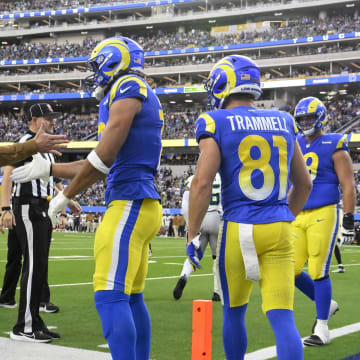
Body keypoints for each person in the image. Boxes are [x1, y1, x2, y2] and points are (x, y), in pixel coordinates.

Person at [12, 37, 164, 359]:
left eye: (97, 67)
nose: (95, 74)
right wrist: (49, 168)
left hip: (129, 202)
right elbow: (95, 160)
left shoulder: (128, 86)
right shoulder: (132, 90)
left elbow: (103, 158)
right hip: (140, 201)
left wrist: (63, 197)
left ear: (112, 62)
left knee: (109, 296)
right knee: (131, 298)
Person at [186, 55, 312, 360]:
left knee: (234, 314)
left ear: (223, 84)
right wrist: (282, 218)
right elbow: (304, 184)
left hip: (239, 227)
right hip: (279, 225)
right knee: (283, 319)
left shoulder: (215, 121)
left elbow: (202, 183)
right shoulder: (284, 119)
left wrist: (191, 235)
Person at [0, 103, 80, 343]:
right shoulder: (26, 142)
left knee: (40, 266)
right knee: (33, 266)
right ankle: (24, 326)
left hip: (42, 207)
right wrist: (4, 208)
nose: (52, 122)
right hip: (27, 205)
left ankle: (34, 321)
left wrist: (67, 199)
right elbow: (7, 175)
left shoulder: (44, 148)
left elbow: (50, 178)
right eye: (47, 117)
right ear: (34, 119)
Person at [292, 96, 355, 346]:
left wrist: (349, 217)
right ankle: (326, 305)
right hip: (297, 213)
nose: (306, 122)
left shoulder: (334, 142)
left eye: (309, 117)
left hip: (324, 210)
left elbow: (348, 183)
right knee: (291, 270)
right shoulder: (295, 142)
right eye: (302, 119)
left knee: (318, 269)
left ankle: (322, 328)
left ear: (320, 117)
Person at [173, 173, 221, 301]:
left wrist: (191, 225)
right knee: (218, 258)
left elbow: (185, 202)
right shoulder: (223, 177)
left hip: (200, 218)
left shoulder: (193, 178)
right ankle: (217, 292)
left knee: (194, 254)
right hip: (217, 217)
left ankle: (184, 276)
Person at [0, 124, 67, 169]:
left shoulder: (48, 149)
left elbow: (52, 180)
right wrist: (34, 146)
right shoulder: (24, 140)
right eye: (47, 119)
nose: (53, 123)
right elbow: (8, 173)